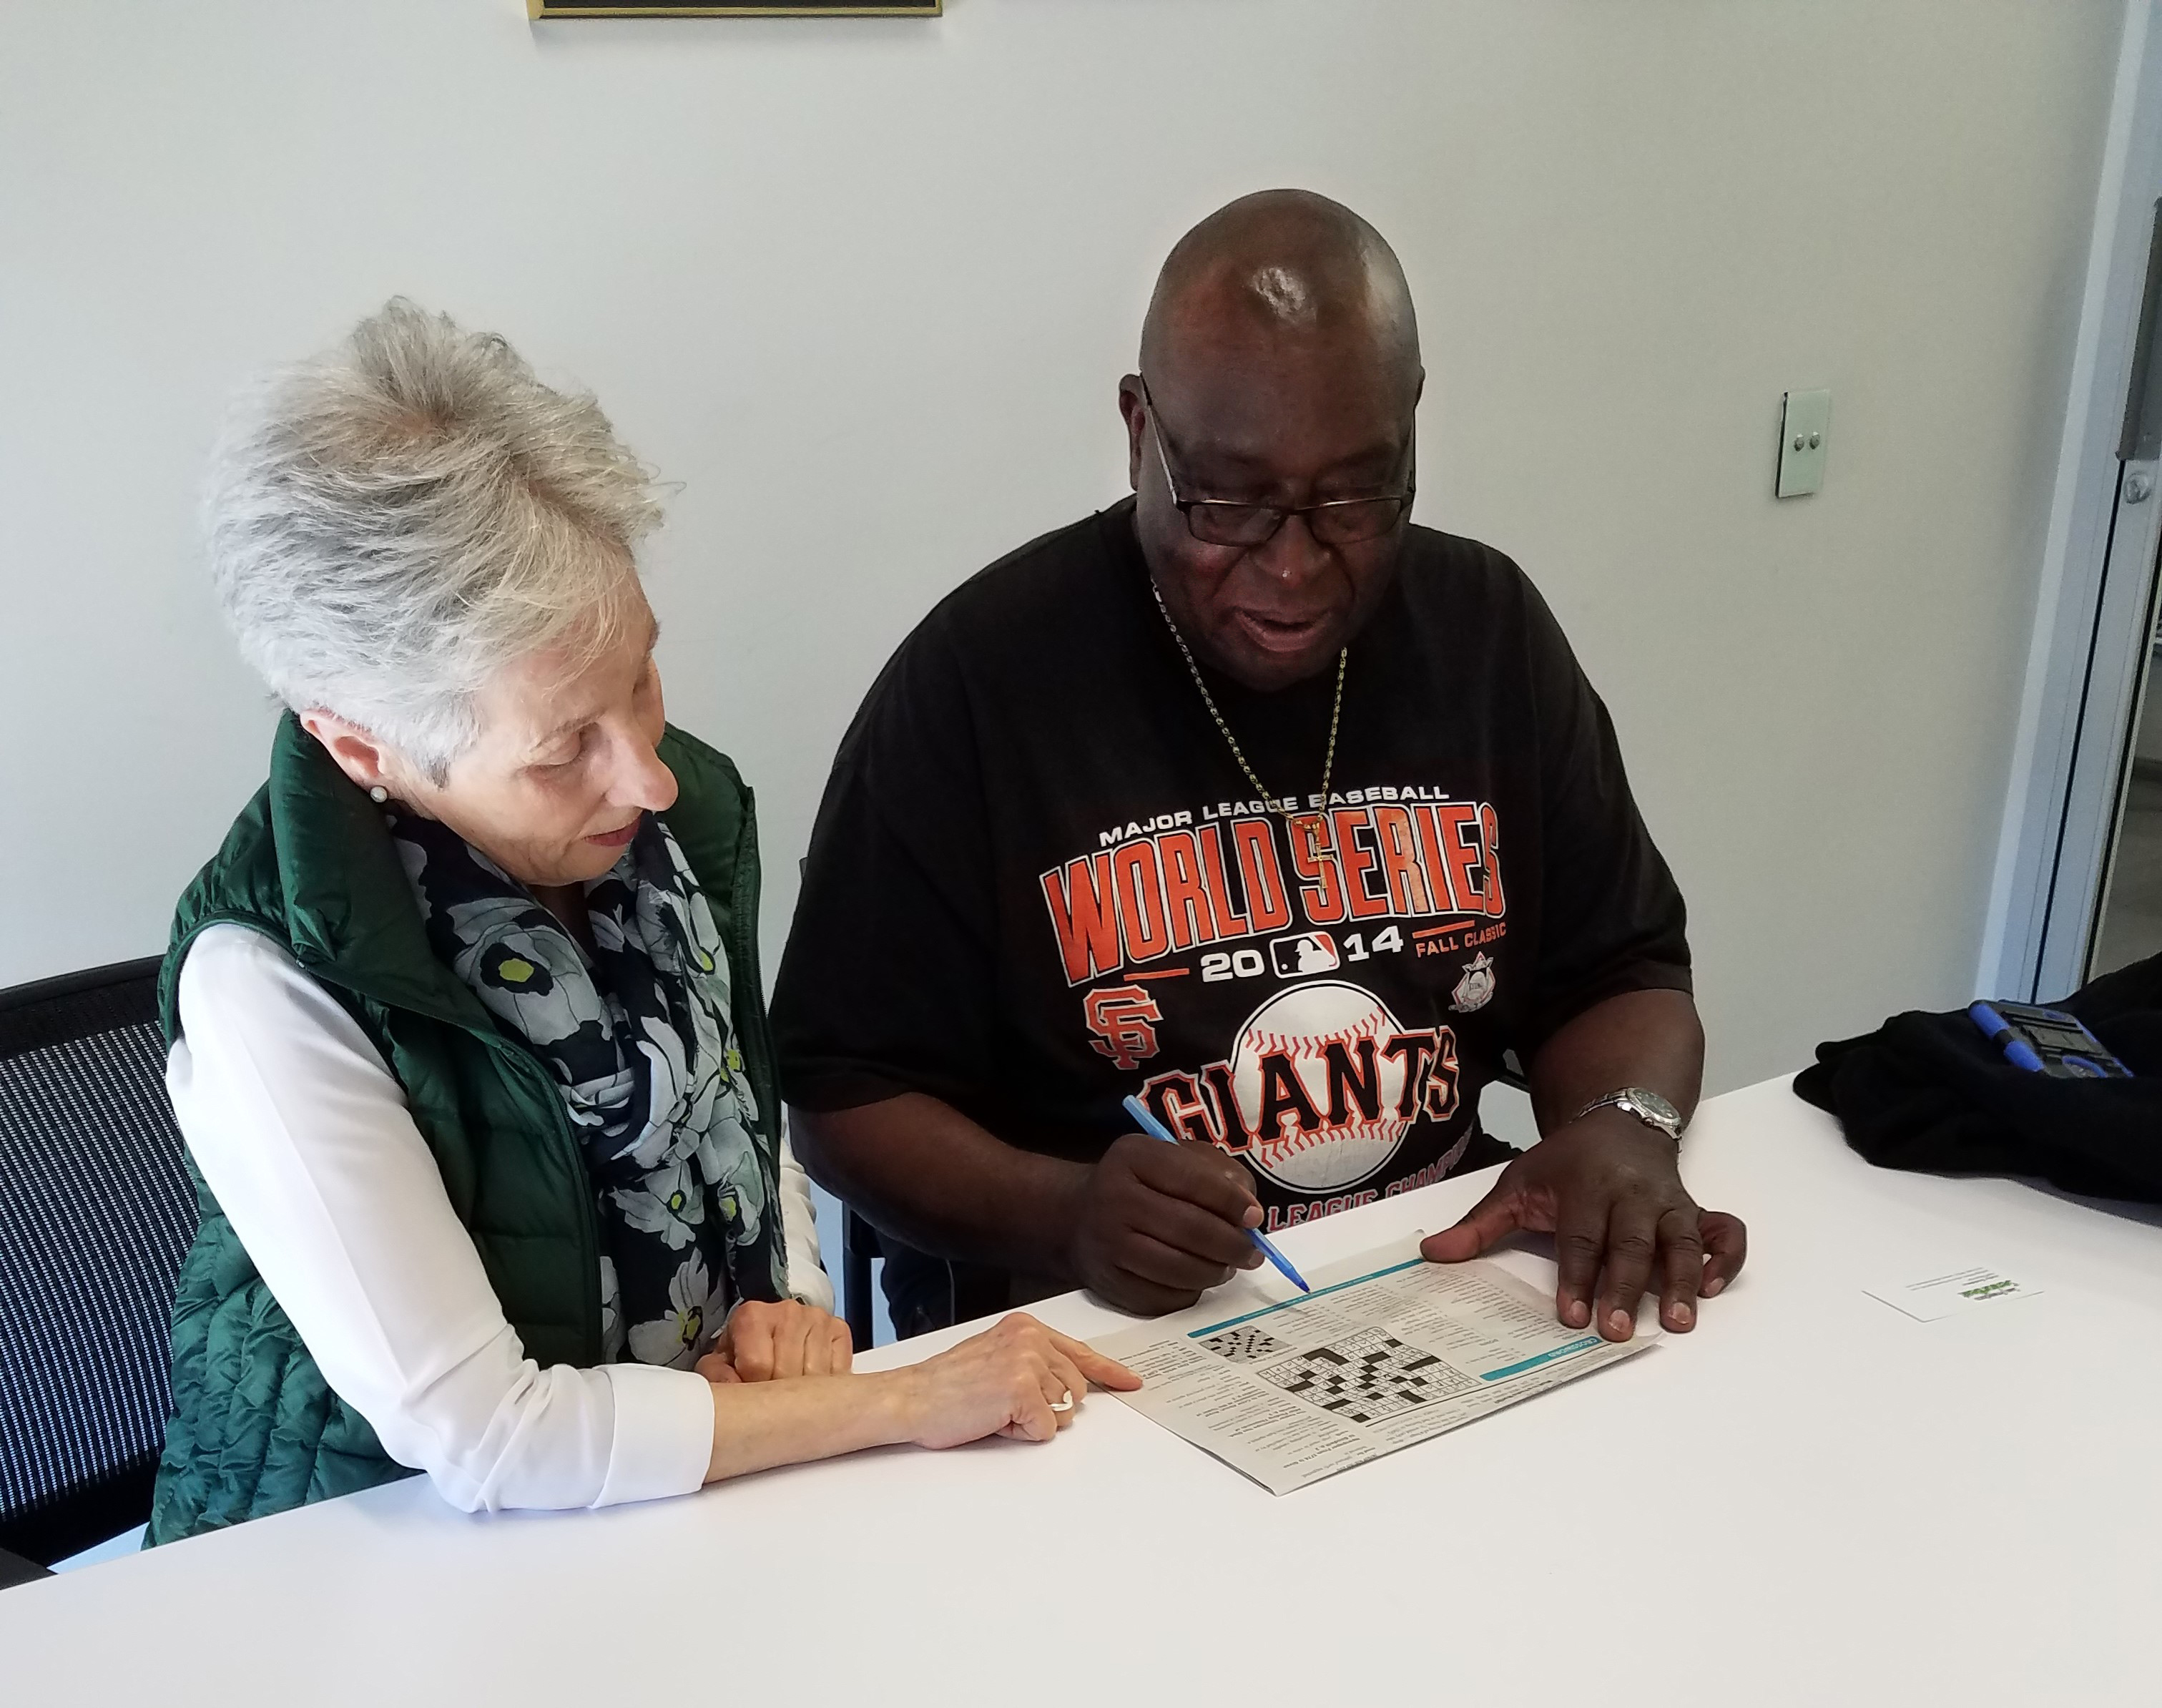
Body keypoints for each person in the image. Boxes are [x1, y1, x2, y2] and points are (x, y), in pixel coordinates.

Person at [149, 302, 1134, 1544]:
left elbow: (733, 1108)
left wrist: (792, 1310)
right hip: (363, 1559)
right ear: (366, 747)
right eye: (566, 748)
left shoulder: (669, 820)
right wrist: (900, 1397)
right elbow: (487, 1434)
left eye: (644, 678)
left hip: (666, 1511)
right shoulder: (268, 982)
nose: (650, 779)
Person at [774, 190, 1748, 1342]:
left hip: (1433, 1277)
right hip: (1097, 1336)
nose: (1293, 568)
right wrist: (1067, 1210)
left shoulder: (1486, 631)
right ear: (1140, 430)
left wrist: (1621, 1123)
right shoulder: (980, 683)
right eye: (1229, 500)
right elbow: (843, 1090)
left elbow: (1620, 971)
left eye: (1354, 495)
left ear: (1414, 423)